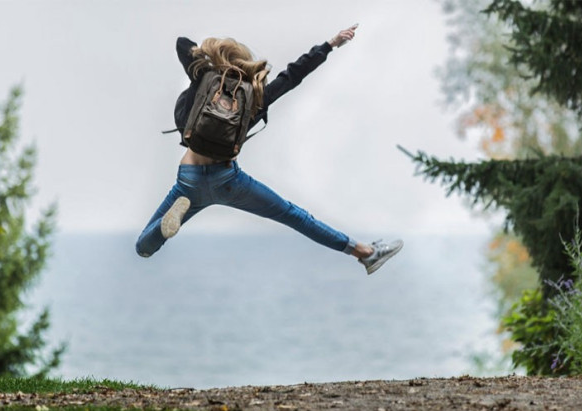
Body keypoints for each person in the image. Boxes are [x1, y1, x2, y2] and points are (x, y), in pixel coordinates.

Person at [135, 24, 403, 275]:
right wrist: (330, 45)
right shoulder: (254, 95)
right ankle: (364, 253)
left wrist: (210, 58)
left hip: (189, 179)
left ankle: (163, 227)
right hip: (228, 180)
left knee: (143, 248)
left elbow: (183, 43)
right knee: (294, 216)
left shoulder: (203, 77)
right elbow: (293, 76)